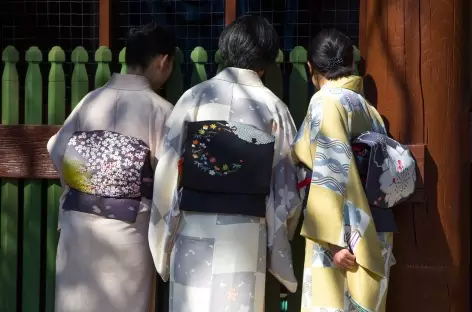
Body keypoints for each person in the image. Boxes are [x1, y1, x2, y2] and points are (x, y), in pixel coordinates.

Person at [148, 15, 302, 312]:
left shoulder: (194, 98)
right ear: (265, 61)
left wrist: (163, 239)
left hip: (193, 226)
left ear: (226, 50)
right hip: (246, 232)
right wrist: (280, 238)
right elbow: (286, 189)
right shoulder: (274, 107)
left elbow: (167, 171)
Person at [47, 22, 175, 312]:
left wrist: (82, 183)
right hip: (127, 229)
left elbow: (55, 148)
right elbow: (171, 175)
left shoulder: (91, 100)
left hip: (77, 223)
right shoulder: (161, 110)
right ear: (163, 61)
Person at [293, 29, 396, 312]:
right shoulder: (367, 108)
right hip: (373, 228)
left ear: (311, 68)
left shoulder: (326, 101)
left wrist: (332, 241)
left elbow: (332, 171)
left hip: (344, 238)